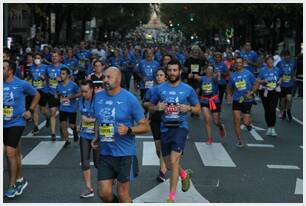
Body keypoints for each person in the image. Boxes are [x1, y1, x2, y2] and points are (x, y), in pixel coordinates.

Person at [91, 67, 150, 203]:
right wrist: (96, 136)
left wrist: (129, 130)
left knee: (123, 193)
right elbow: (98, 119)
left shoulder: (129, 99)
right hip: (106, 153)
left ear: (118, 79)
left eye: (108, 77)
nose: (104, 80)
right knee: (104, 193)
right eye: (104, 77)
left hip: (125, 154)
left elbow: (145, 126)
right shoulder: (98, 97)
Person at [150, 59, 201, 203]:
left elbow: (197, 107)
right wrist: (156, 107)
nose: (172, 73)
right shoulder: (159, 89)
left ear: (179, 71)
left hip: (180, 128)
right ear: (167, 72)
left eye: (175, 70)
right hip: (165, 129)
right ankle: (184, 174)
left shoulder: (187, 89)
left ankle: (171, 197)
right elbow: (148, 105)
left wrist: (189, 108)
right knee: (169, 164)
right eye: (170, 70)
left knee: (174, 160)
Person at [3, 60, 40, 198]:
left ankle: (12, 185)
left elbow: (36, 94)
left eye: (3, 68)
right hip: (3, 123)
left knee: (10, 152)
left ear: (10, 70)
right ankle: (19, 180)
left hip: (17, 122)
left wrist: (30, 110)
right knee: (13, 154)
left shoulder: (21, 83)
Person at [227, 57, 257, 148]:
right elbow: (229, 87)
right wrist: (229, 94)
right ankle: (240, 140)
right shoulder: (233, 76)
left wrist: (251, 92)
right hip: (237, 100)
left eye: (240, 62)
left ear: (243, 63)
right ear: (235, 64)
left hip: (247, 100)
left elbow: (256, 84)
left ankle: (248, 124)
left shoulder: (248, 74)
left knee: (245, 122)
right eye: (237, 63)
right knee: (236, 120)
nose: (238, 64)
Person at [143, 69, 168, 182]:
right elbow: (145, 103)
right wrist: (154, 106)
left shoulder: (171, 89)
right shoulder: (152, 90)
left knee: (163, 145)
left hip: (167, 119)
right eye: (157, 75)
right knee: (158, 147)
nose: (159, 77)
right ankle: (164, 163)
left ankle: (162, 171)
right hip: (155, 119)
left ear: (165, 77)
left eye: (161, 75)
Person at [78, 80, 100, 198]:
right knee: (85, 163)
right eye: (82, 91)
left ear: (92, 89)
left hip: (96, 135)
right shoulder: (81, 100)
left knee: (98, 163)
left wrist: (89, 120)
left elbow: (102, 118)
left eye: (86, 91)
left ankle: (109, 179)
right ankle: (89, 189)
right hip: (85, 135)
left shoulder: (98, 101)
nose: (84, 94)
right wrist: (80, 125)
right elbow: (82, 117)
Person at [195, 65, 226, 144]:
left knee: (215, 122)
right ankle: (209, 138)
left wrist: (218, 76)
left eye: (211, 69)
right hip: (204, 101)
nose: (209, 71)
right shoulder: (202, 78)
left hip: (214, 101)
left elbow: (219, 82)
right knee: (207, 119)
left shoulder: (214, 79)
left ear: (213, 71)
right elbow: (197, 80)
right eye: (208, 69)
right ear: (206, 70)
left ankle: (221, 126)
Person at [55, 67, 81, 147]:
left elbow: (80, 93)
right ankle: (66, 141)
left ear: (68, 75)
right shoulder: (59, 85)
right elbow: (57, 94)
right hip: (63, 108)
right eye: (61, 74)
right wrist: (57, 96)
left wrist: (72, 96)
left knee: (72, 126)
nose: (61, 75)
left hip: (72, 109)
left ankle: (75, 131)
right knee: (63, 125)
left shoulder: (73, 85)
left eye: (63, 74)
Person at [257, 56, 281, 136]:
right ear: (266, 62)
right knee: (267, 109)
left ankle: (273, 128)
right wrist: (264, 81)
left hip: (274, 91)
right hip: (265, 91)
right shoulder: (262, 70)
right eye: (269, 61)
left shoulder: (277, 69)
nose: (270, 62)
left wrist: (278, 82)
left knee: (272, 109)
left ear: (273, 62)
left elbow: (281, 78)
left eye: (272, 61)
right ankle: (269, 127)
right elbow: (258, 80)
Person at [47, 51, 65, 141]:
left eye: (56, 56)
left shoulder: (64, 67)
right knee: (52, 113)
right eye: (52, 56)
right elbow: (46, 79)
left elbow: (71, 79)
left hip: (62, 94)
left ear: (59, 57)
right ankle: (53, 133)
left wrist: (62, 79)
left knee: (62, 115)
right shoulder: (48, 68)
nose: (54, 58)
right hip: (52, 93)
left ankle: (63, 131)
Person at [29, 53, 50, 135]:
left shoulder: (45, 67)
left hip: (43, 90)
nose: (37, 59)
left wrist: (44, 79)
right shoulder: (31, 68)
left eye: (39, 58)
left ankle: (47, 117)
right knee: (35, 109)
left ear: (41, 59)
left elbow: (50, 78)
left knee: (43, 110)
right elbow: (30, 78)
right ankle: (36, 127)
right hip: (34, 90)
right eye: (35, 58)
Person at [277, 50, 296, 121]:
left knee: (289, 98)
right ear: (283, 56)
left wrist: (294, 76)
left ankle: (288, 111)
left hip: (290, 84)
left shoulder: (293, 62)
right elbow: (276, 70)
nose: (286, 57)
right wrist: (279, 78)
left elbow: (294, 70)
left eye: (288, 56)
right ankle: (284, 111)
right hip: (282, 84)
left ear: (289, 56)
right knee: (282, 100)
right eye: (285, 56)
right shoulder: (280, 63)